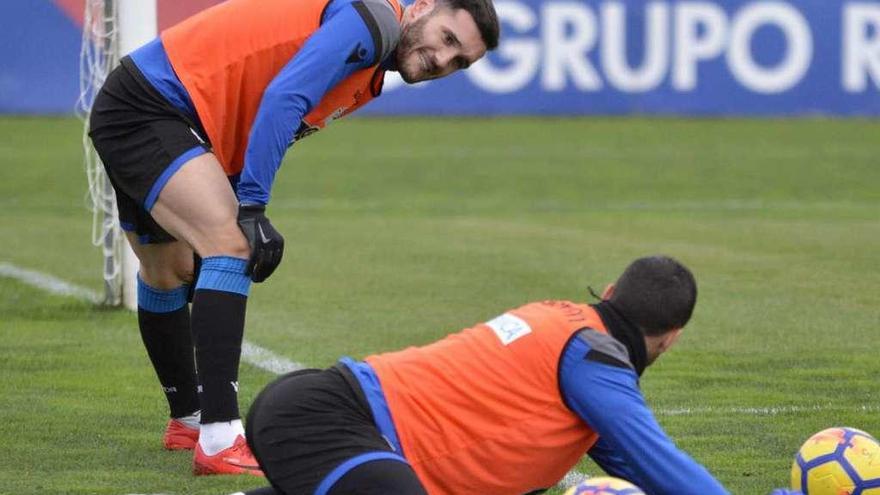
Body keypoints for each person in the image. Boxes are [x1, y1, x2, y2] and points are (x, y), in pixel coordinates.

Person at [87, 0, 499, 477]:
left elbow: (261, 102)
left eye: (459, 62)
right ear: (423, 6)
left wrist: (240, 195)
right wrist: (253, 207)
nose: (442, 61)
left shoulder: (372, 67)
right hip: (156, 109)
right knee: (232, 246)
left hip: (148, 106)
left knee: (169, 272)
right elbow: (286, 96)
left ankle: (189, 422)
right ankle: (220, 439)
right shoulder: (376, 23)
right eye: (447, 39)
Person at [241, 255, 731, 494]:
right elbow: (659, 462)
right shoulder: (594, 359)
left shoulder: (562, 320)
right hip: (332, 422)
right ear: (672, 337)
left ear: (608, 291)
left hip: (320, 417)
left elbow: (640, 469)